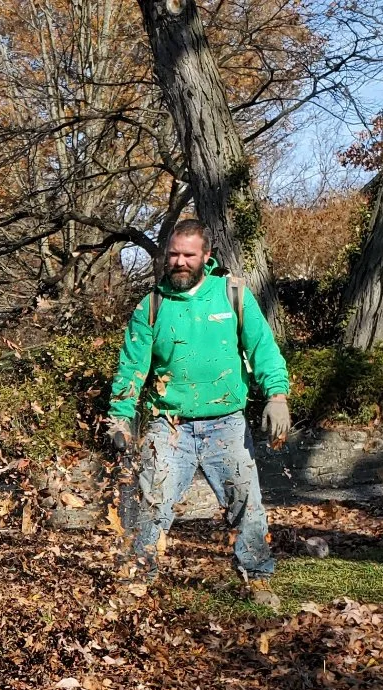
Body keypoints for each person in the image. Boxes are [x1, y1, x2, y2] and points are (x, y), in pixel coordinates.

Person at [108, 219, 292, 610]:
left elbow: (263, 348)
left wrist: (277, 395)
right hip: (167, 427)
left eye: (188, 255)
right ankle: (137, 580)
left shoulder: (232, 294)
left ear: (206, 256)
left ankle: (257, 577)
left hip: (226, 424)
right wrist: (120, 418)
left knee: (247, 504)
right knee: (150, 506)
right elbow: (130, 369)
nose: (179, 261)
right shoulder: (152, 307)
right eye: (173, 254)